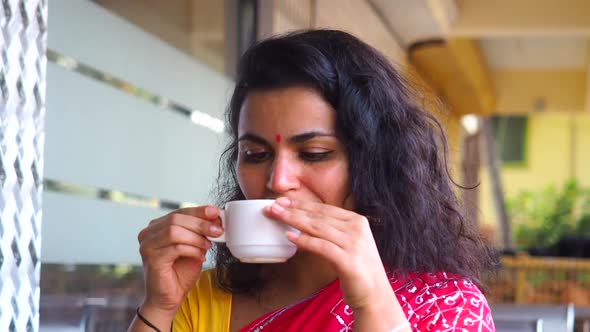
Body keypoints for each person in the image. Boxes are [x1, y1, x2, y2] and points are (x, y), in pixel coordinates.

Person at [128, 29, 497, 332]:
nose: (279, 180)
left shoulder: (444, 307)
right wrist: (158, 308)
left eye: (315, 154)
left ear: (375, 164)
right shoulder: (201, 297)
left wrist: (372, 303)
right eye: (256, 155)